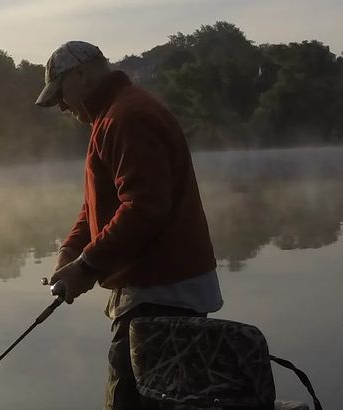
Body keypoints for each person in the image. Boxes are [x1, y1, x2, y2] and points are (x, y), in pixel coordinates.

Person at [34, 40, 223, 410]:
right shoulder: (113, 115)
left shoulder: (126, 117)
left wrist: (87, 266)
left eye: (60, 93)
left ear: (82, 75)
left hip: (162, 299)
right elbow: (97, 206)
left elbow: (144, 208)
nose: (59, 104)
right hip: (154, 296)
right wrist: (70, 251)